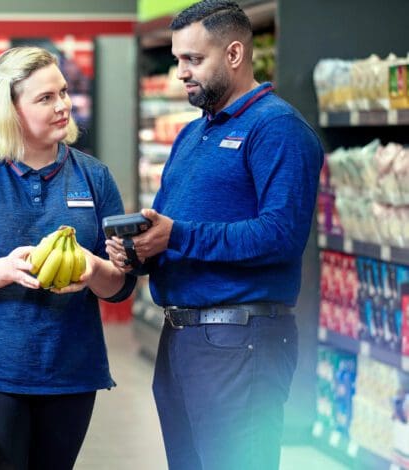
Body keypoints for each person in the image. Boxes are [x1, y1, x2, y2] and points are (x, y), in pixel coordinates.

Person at [105, 1, 323, 469]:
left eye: (193, 60)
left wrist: (176, 235)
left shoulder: (278, 129)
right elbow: (171, 230)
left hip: (240, 340)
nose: (180, 72)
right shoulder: (191, 136)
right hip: (181, 339)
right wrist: (140, 251)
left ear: (235, 54)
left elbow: (281, 235)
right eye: (177, 58)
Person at [0, 46, 136, 470]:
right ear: (8, 110)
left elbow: (121, 283)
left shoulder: (94, 177)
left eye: (64, 92)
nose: (63, 106)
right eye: (45, 98)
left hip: (70, 372)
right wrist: (5, 269)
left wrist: (93, 270)